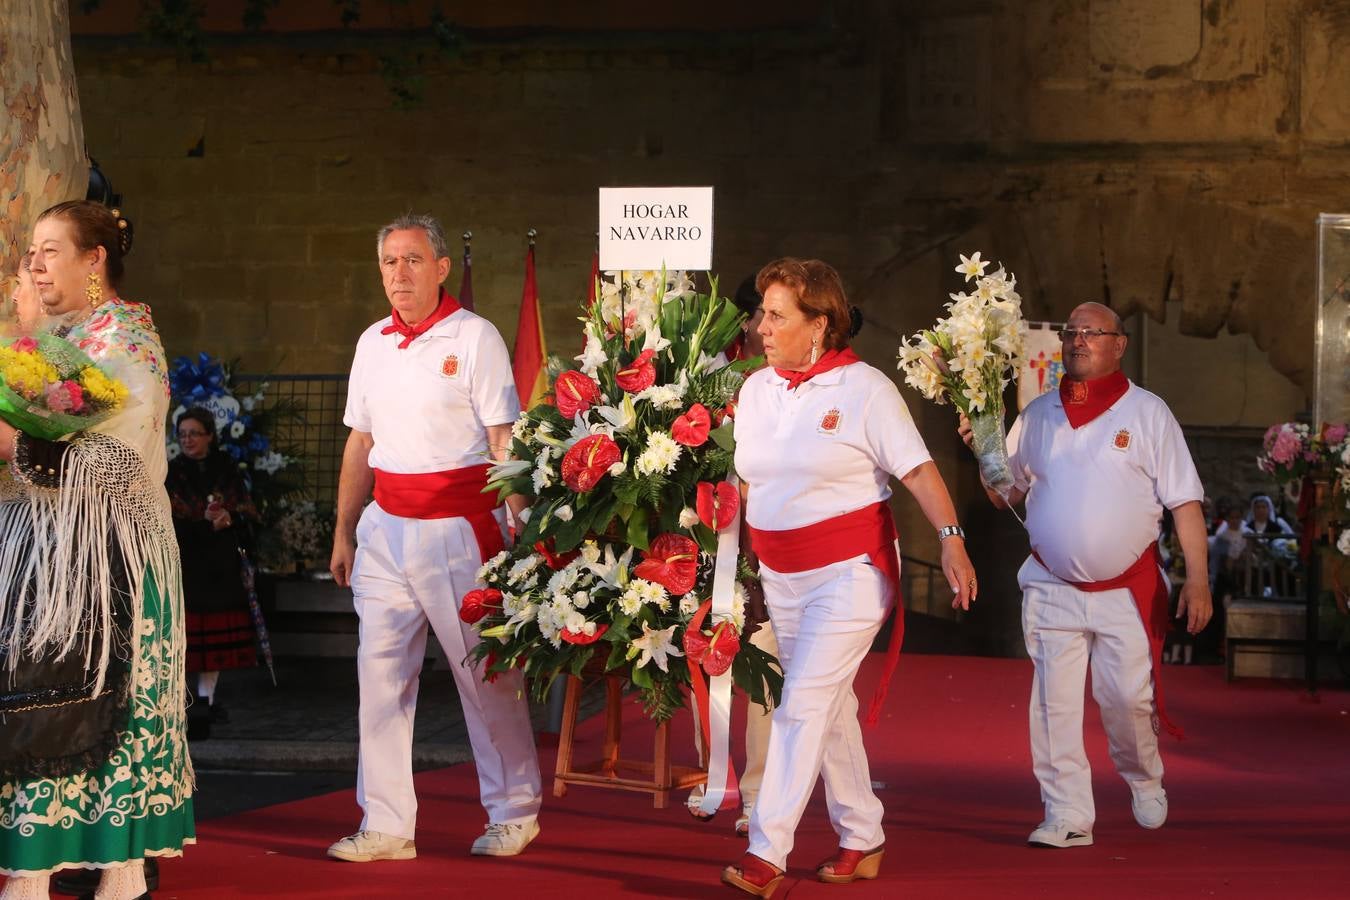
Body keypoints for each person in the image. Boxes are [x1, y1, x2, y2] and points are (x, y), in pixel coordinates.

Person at [721, 258, 976, 896]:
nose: (760, 328)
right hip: (781, 577)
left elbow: (917, 470)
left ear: (821, 324)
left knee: (801, 701)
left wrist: (951, 541)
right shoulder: (755, 391)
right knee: (828, 706)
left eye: (777, 316)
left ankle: (766, 851)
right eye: (761, 314)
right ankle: (863, 832)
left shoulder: (866, 389)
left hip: (852, 574)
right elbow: (746, 482)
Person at [327, 214, 541, 864]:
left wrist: (522, 526)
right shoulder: (371, 343)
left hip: (460, 528)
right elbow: (360, 440)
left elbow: (504, 437)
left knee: (485, 674)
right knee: (380, 677)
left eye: (413, 260)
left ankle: (515, 811)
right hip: (385, 529)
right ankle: (387, 824)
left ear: (441, 268)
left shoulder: (475, 338)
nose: (400, 273)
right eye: (390, 261)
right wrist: (343, 530)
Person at [961, 301, 1212, 850]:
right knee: (1054, 703)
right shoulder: (1040, 412)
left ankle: (1143, 776)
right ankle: (1067, 814)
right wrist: (984, 446)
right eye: (1071, 332)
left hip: (1125, 590)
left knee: (1126, 700)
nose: (1077, 340)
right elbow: (1006, 493)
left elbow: (1185, 502)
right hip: (1051, 584)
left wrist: (1198, 579)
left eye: (1091, 333)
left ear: (1119, 344)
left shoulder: (1148, 413)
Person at [0, 201, 193, 899]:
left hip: (114, 564)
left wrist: (17, 434)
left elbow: (114, 463)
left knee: (106, 720)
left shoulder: (129, 342)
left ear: (94, 260)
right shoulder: (67, 333)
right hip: (47, 562)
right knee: (35, 717)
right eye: (32, 252)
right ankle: (37, 873)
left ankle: (119, 872)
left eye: (51, 250)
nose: (35, 265)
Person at [686, 273, 775, 837]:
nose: (764, 327)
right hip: (710, 533)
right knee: (704, 652)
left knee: (763, 664)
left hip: (765, 540)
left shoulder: (795, 381)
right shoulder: (709, 373)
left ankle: (761, 793)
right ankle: (709, 776)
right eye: (758, 315)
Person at [167, 406, 260, 733]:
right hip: (188, 558)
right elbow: (168, 513)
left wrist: (229, 517)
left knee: (215, 638)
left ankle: (208, 698)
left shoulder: (225, 467)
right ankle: (186, 698)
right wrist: (198, 519)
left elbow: (246, 507)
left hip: (220, 562)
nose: (188, 440)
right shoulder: (173, 471)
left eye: (194, 433)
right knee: (190, 635)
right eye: (182, 434)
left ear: (209, 435)